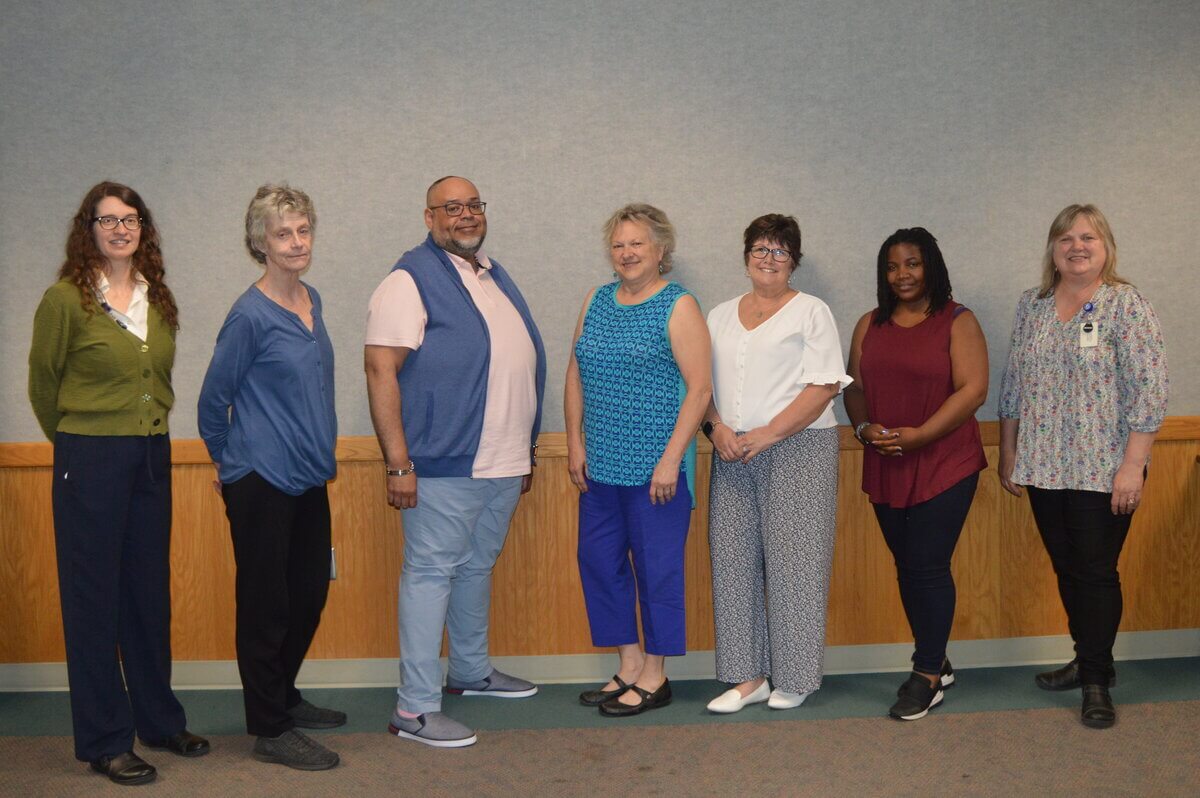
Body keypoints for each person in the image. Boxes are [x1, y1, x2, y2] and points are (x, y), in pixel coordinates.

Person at [27, 182, 209, 786]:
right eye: (108, 220)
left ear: (143, 229)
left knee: (148, 594)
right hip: (91, 459)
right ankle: (107, 741)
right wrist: (78, 443)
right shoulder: (64, 299)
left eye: (130, 219)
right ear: (89, 229)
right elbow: (43, 386)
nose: (120, 229)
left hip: (150, 456)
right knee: (93, 601)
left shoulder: (157, 299)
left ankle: (158, 720)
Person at [365, 176, 546, 748]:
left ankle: (470, 671)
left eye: (473, 205)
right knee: (430, 573)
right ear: (429, 216)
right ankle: (414, 709)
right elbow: (379, 369)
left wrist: (524, 453)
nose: (465, 215)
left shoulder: (491, 273)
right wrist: (398, 463)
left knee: (474, 567)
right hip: (444, 463)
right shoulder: (408, 279)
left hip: (501, 460)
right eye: (452, 208)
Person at [999, 204, 1167, 729]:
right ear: (1053, 248)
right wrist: (1009, 451)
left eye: (1088, 237)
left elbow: (1151, 389)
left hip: (1105, 468)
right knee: (1068, 568)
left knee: (1095, 573)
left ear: (1105, 247)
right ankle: (1088, 658)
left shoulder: (1125, 304)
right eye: (1066, 237)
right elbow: (1014, 385)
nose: (1077, 245)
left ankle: (1096, 679)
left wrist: (1132, 467)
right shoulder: (1034, 305)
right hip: (1046, 466)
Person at [197, 185, 342, 770]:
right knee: (265, 603)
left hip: (309, 475)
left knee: (307, 592)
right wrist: (228, 464)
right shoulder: (249, 314)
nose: (296, 242)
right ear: (260, 242)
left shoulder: (313, 300)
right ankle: (270, 727)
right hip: (260, 477)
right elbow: (213, 401)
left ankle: (282, 694)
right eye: (283, 233)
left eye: (303, 230)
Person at [566, 203, 712, 717]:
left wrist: (673, 458)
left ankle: (656, 674)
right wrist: (575, 442)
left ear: (661, 250)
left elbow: (699, 390)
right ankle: (628, 665)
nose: (627, 253)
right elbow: (575, 373)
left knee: (657, 572)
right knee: (600, 565)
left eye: (637, 244)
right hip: (599, 467)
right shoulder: (596, 299)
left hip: (657, 474)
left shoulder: (679, 305)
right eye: (619, 244)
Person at [701, 214, 850, 715]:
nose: (768, 258)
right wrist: (716, 427)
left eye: (780, 251)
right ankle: (749, 678)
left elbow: (825, 385)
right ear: (746, 256)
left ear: (794, 261)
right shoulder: (718, 315)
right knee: (734, 562)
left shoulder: (811, 312)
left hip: (798, 448)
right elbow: (699, 384)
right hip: (731, 450)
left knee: (796, 566)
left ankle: (797, 675)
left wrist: (766, 434)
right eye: (760, 249)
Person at [844, 227, 989, 721]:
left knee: (927, 565)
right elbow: (855, 387)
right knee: (909, 566)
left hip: (945, 461)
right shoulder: (869, 324)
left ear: (931, 266)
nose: (902, 274)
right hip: (886, 460)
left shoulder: (957, 320)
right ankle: (937, 653)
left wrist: (921, 435)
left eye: (912, 263)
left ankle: (927, 673)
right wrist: (864, 428)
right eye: (892, 266)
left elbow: (973, 391)